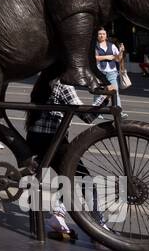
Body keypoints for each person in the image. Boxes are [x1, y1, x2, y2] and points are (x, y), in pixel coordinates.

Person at [25, 78, 102, 241]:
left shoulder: (42, 81)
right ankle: (100, 226)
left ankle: (58, 216)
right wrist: (105, 96)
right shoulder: (63, 85)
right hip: (53, 140)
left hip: (34, 138)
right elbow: (87, 116)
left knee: (68, 178)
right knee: (86, 181)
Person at [94, 27, 123, 111]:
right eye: (100, 34)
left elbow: (118, 59)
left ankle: (118, 111)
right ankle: (97, 111)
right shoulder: (94, 46)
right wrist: (107, 57)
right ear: (97, 36)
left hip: (111, 72)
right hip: (100, 72)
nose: (102, 35)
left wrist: (121, 51)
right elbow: (94, 57)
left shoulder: (112, 45)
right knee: (99, 92)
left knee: (114, 91)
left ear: (106, 36)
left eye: (103, 34)